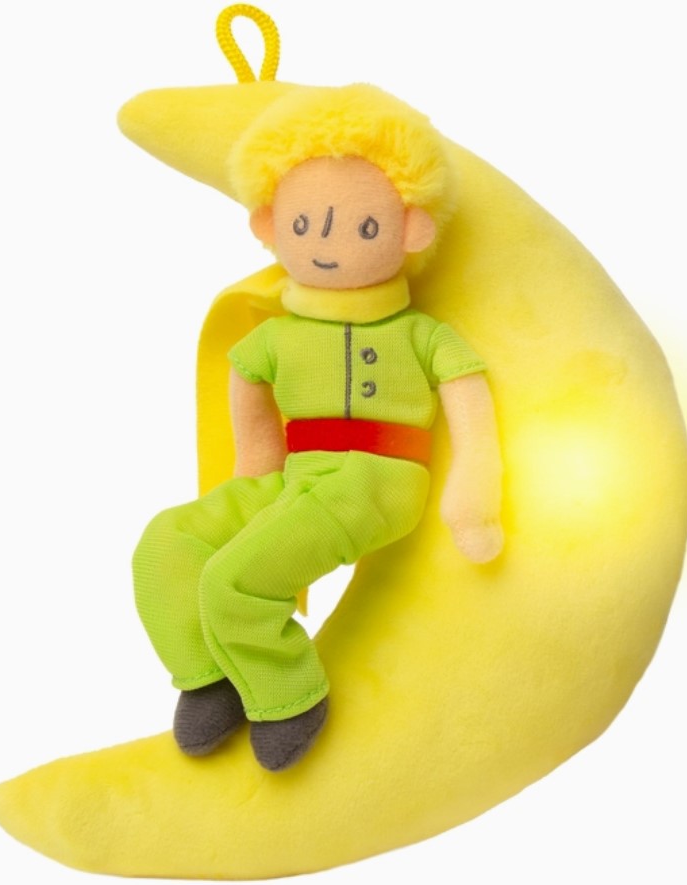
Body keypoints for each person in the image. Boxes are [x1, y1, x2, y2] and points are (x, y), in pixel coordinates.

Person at [132, 85, 504, 772]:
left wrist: (472, 500)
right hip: (297, 477)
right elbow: (247, 400)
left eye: (361, 229)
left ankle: (288, 695)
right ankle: (210, 674)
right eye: (305, 226)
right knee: (167, 543)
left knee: (235, 580)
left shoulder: (421, 335)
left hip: (375, 480)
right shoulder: (274, 337)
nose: (328, 246)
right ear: (270, 227)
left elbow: (472, 414)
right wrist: (254, 478)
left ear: (410, 230)